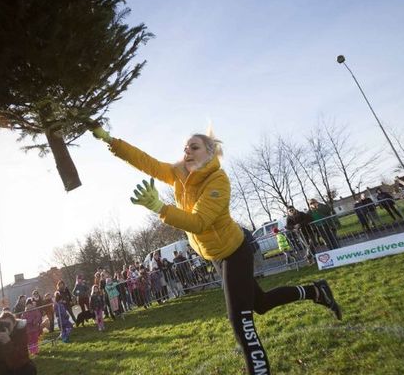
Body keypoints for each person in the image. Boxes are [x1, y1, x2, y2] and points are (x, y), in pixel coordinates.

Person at [91, 125, 342, 374]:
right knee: (261, 303)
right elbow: (148, 162)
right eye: (185, 148)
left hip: (235, 251)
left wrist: (161, 208)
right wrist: (110, 140)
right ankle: (316, 291)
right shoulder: (179, 173)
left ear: (210, 152)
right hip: (215, 256)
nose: (187, 151)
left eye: (194, 147)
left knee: (240, 321)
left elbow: (199, 222)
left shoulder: (218, 180)